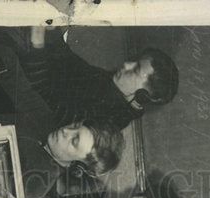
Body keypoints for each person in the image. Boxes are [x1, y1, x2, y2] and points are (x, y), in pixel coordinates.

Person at [0, 42, 124, 198]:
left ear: (79, 167)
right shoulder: (45, 119)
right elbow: (9, 59)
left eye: (74, 141)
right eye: (75, 126)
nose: (66, 131)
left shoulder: (36, 186)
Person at [13, 27, 179, 131]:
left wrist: (37, 41)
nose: (126, 64)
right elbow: (66, 61)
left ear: (142, 96)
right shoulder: (111, 86)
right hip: (19, 77)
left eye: (135, 69)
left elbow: (42, 102)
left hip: (12, 105)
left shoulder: (105, 122)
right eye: (133, 61)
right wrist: (52, 28)